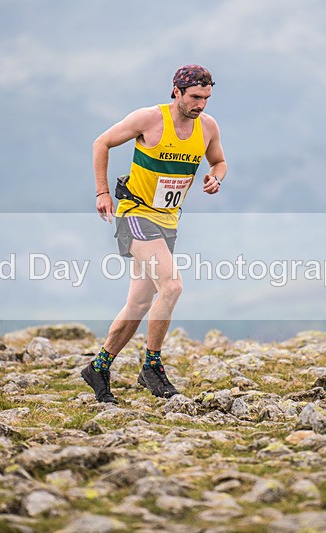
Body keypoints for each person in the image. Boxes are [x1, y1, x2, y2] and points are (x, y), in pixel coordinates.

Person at [82, 64, 227, 403]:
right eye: (194, 97)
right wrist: (102, 193)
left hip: (167, 222)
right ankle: (152, 366)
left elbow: (218, 161)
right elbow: (101, 143)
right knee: (173, 285)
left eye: (206, 98)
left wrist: (216, 177)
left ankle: (98, 367)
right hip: (135, 215)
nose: (201, 105)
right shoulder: (149, 119)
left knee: (140, 302)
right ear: (176, 92)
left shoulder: (207, 127)